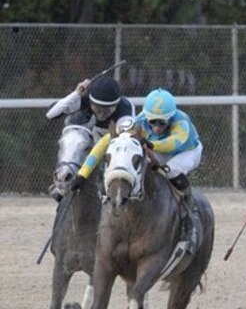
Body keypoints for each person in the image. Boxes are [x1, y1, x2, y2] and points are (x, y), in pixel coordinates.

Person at [70, 88, 202, 252]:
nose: (156, 127)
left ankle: (189, 214)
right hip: (156, 148)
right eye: (152, 122)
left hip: (186, 151)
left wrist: (149, 144)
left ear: (171, 117)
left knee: (170, 171)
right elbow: (103, 143)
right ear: (145, 116)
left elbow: (174, 143)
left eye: (162, 123)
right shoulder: (138, 121)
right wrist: (82, 174)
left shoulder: (181, 122)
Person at [46, 76, 135, 141]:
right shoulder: (86, 99)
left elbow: (124, 139)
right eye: (97, 109)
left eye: (107, 110)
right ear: (91, 101)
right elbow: (50, 114)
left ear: (116, 105)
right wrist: (76, 94)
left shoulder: (125, 108)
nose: (101, 114)